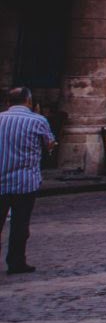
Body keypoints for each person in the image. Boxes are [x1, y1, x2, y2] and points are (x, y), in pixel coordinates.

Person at [1, 86, 56, 274]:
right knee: (20, 225)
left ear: (8, 102)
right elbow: (49, 144)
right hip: (25, 181)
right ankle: (16, 262)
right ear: (29, 101)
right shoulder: (38, 120)